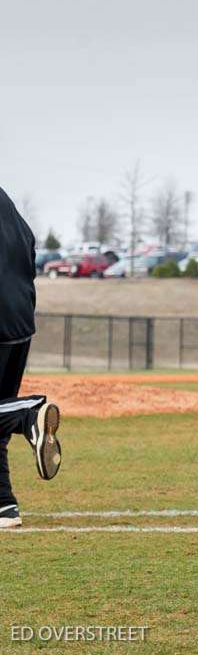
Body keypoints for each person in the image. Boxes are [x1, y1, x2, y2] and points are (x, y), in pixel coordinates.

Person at [0, 186, 63, 529]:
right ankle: (4, 505)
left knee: (10, 411)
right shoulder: (5, 202)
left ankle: (29, 413)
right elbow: (29, 247)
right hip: (19, 322)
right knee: (0, 413)